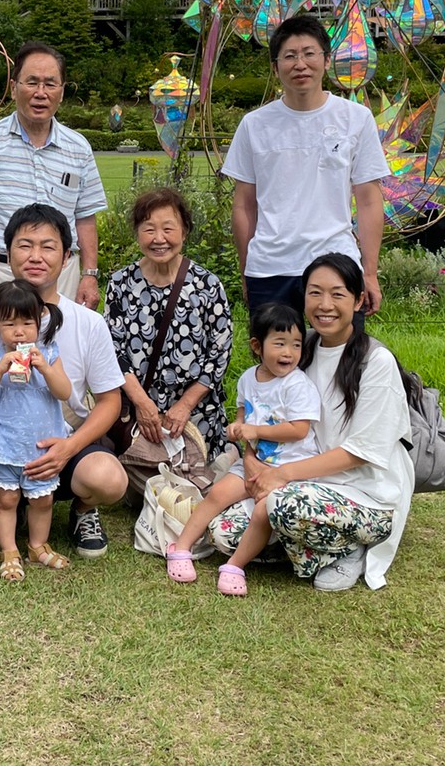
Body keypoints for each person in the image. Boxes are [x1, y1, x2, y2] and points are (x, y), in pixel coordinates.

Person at [0, 203, 128, 563]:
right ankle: (9, 509)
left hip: (60, 447)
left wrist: (69, 446)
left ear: (66, 258)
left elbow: (110, 402)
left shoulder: (87, 323)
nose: (36, 256)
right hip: (0, 451)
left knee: (108, 479)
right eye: (24, 245)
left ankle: (80, 508)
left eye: (48, 246)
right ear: (8, 251)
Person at [211, 253, 414, 592]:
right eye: (315, 292)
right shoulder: (298, 348)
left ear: (359, 299)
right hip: (301, 481)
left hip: (367, 494)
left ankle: (348, 549)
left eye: (338, 294)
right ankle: (311, 544)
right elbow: (261, 413)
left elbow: (359, 452)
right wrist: (250, 459)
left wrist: (279, 475)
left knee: (277, 505)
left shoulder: (375, 361)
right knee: (223, 533)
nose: (325, 305)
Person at [221, 13, 391, 316]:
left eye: (309, 54)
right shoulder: (254, 125)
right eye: (289, 56)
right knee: (277, 361)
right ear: (276, 68)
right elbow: (244, 205)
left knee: (342, 361)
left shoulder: (355, 119)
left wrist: (370, 272)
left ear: (326, 60)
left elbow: (368, 200)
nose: (300, 64)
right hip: (270, 268)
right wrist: (247, 268)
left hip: (337, 265)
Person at [163, 303, 321, 596]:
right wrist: (237, 428)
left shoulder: (298, 385)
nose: (289, 352)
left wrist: (256, 431)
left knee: (264, 510)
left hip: (289, 470)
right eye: (280, 343)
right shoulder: (249, 378)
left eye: (296, 345)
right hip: (255, 459)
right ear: (257, 346)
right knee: (218, 494)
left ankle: (235, 566)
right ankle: (180, 547)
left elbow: (300, 429)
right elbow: (243, 414)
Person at [0, 41, 106, 311]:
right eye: (31, 82)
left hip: (61, 276)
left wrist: (89, 276)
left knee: (61, 351)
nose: (40, 93)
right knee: (0, 350)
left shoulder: (79, 148)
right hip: (2, 273)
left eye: (50, 84)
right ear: (13, 87)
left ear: (62, 92)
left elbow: (85, 216)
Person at [105, 186, 233, 459]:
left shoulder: (206, 285)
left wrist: (185, 405)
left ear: (184, 232)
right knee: (148, 482)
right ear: (137, 233)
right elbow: (114, 351)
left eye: (168, 229)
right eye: (149, 229)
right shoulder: (120, 284)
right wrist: (143, 404)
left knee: (197, 484)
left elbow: (219, 353)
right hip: (141, 411)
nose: (159, 239)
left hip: (196, 410)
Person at [0, 280, 74, 580]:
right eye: (9, 323)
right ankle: (9, 550)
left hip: (41, 448)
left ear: (40, 319)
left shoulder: (49, 353)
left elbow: (64, 392)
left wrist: (46, 368)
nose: (19, 332)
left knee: (43, 500)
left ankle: (37, 546)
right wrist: (0, 367)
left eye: (27, 323)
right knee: (6, 500)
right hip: (5, 446)